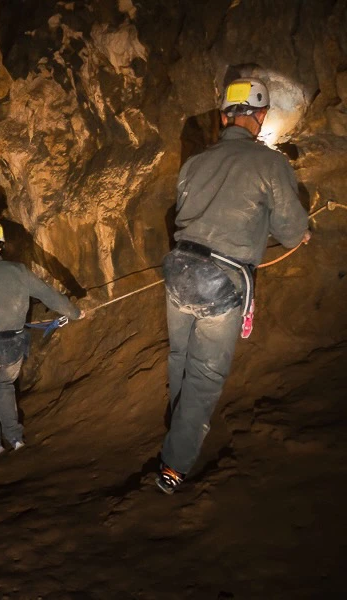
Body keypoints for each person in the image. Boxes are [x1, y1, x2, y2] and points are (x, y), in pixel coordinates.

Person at [156, 77, 311, 494]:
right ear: (259, 117)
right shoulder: (271, 164)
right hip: (220, 284)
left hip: (178, 272)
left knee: (180, 356)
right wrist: (301, 232)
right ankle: (174, 465)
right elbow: (293, 231)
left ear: (225, 116)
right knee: (205, 376)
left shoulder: (194, 164)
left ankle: (178, 424)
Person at [0, 221, 84, 458]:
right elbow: (50, 295)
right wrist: (74, 312)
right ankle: (15, 438)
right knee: (5, 387)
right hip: (15, 345)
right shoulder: (20, 271)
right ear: (1, 246)